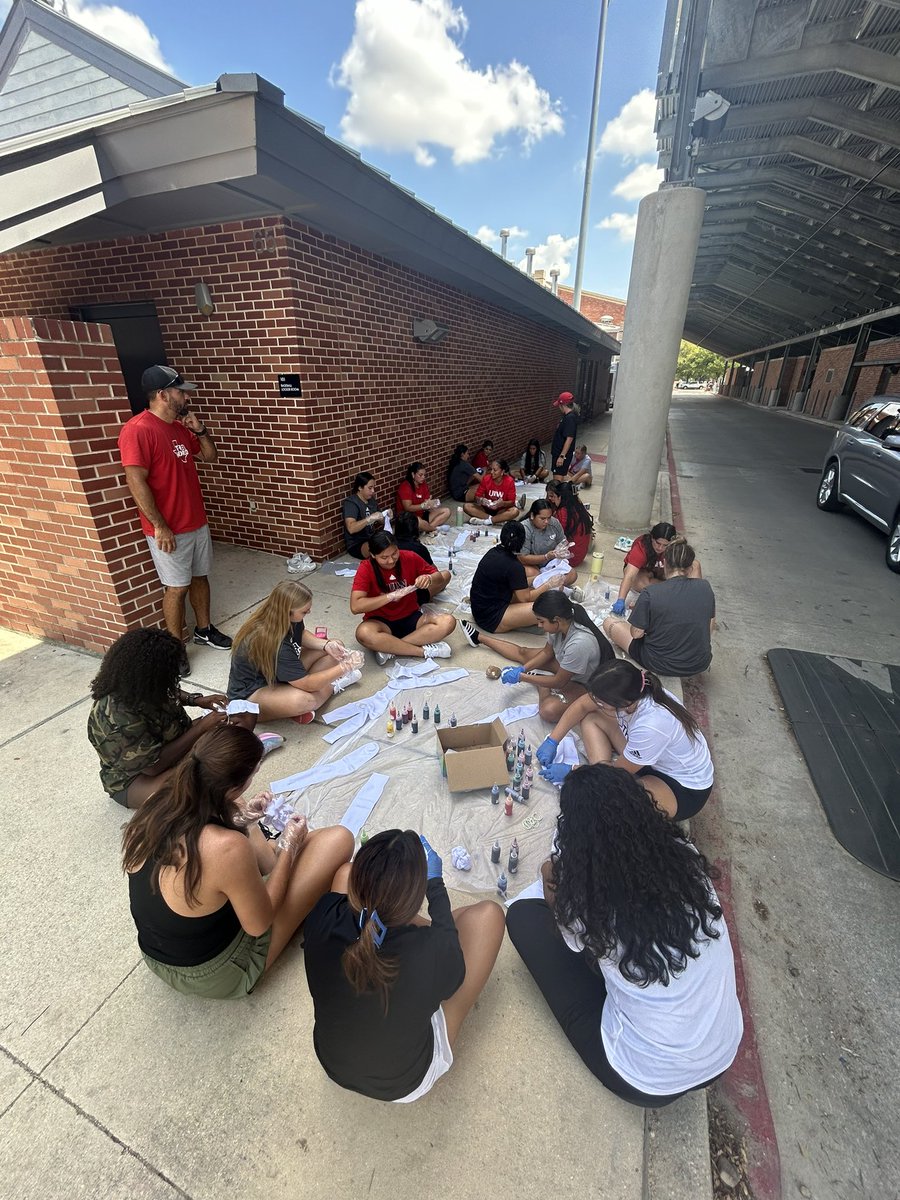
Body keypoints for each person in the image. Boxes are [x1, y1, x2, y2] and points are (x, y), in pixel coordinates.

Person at [505, 766, 743, 1105]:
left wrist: (549, 880)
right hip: (721, 1053)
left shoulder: (589, 900)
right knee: (622, 957)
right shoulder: (686, 860)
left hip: (645, 1080)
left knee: (522, 917)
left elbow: (568, 939)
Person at [122, 724, 353, 998]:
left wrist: (242, 819)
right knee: (339, 839)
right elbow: (259, 924)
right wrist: (289, 848)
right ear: (234, 785)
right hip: (216, 973)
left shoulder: (157, 802)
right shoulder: (226, 848)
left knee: (254, 833)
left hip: (158, 955)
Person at [303, 829, 505, 1102]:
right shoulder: (432, 956)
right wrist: (435, 886)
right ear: (414, 901)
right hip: (403, 1082)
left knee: (343, 872)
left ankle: (381, 898)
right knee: (490, 916)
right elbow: (451, 957)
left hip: (332, 1061)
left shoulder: (322, 915)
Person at [88, 627, 267, 810]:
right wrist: (200, 728)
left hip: (175, 744)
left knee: (241, 719)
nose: (175, 677)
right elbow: (153, 767)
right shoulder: (117, 716)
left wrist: (197, 700)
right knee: (203, 777)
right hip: (137, 780)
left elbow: (169, 690)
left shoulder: (146, 684)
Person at [118, 364, 232, 649]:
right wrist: (159, 525)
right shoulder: (138, 430)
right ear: (163, 394)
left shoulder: (180, 428)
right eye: (180, 392)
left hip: (195, 520)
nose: (186, 398)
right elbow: (135, 481)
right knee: (176, 588)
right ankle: (174, 646)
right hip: (168, 528)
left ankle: (204, 630)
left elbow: (209, 457)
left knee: (199, 578)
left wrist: (201, 430)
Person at [536, 660, 713, 819]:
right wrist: (553, 740)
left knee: (613, 802)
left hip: (682, 788)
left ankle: (599, 774)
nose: (596, 702)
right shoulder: (635, 692)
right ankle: (600, 770)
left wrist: (573, 770)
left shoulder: (651, 725)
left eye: (602, 702)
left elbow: (619, 772)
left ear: (622, 704)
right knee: (592, 718)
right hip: (652, 760)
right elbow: (583, 705)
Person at [462, 591, 613, 722]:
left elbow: (559, 681)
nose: (539, 626)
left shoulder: (579, 643)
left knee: (548, 710)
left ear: (557, 620)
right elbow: (547, 653)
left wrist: (522, 676)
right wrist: (523, 668)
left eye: (541, 621)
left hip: (584, 683)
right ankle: (479, 637)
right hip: (567, 666)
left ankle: (542, 682)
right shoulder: (560, 626)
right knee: (523, 653)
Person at [228, 579, 364, 724]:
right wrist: (345, 667)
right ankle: (333, 686)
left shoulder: (283, 618)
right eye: (305, 611)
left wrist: (325, 645)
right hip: (251, 695)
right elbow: (307, 684)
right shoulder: (274, 643)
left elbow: (301, 634)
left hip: (275, 676)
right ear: (288, 611)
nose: (309, 612)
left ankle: (290, 705)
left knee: (336, 650)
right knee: (305, 701)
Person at [603, 540, 715, 677]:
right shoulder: (705, 587)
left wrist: (642, 615)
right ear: (690, 567)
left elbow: (636, 633)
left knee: (609, 623)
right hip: (698, 662)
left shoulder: (651, 593)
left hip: (660, 663)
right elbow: (709, 627)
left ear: (665, 563)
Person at [351, 531, 455, 665]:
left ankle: (390, 649)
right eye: (384, 557)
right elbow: (355, 606)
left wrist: (428, 578)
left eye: (394, 553)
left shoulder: (409, 557)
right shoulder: (366, 567)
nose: (391, 560)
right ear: (373, 555)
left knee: (448, 621)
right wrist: (390, 596)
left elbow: (439, 577)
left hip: (411, 616)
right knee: (363, 633)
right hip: (381, 622)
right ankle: (423, 652)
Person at [466, 522, 569, 634]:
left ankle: (521, 622)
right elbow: (525, 598)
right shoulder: (514, 566)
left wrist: (542, 577)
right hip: (491, 618)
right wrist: (548, 584)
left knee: (538, 590)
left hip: (480, 608)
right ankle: (518, 624)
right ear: (523, 542)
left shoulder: (493, 552)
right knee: (548, 607)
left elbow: (519, 584)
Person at [611, 522, 701, 615]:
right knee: (639, 582)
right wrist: (621, 600)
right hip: (646, 576)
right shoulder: (641, 546)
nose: (660, 548)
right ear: (651, 538)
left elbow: (686, 564)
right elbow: (629, 575)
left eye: (665, 545)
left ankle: (689, 597)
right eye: (658, 543)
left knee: (695, 565)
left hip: (666, 578)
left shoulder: (675, 548)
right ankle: (678, 593)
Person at [516, 499, 573, 580]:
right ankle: (550, 585)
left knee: (572, 574)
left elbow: (562, 541)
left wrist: (562, 551)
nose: (546, 522)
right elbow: (523, 558)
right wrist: (546, 557)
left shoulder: (554, 523)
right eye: (542, 518)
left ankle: (548, 584)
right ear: (532, 515)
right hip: (531, 565)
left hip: (550, 563)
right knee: (534, 575)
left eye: (548, 518)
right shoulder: (524, 529)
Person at [342, 473, 389, 560]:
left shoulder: (371, 500)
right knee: (380, 548)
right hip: (357, 544)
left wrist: (386, 515)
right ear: (360, 488)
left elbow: (381, 521)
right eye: (370, 488)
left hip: (372, 537)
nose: (373, 491)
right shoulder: (351, 503)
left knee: (390, 542)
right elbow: (351, 528)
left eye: (373, 487)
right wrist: (369, 519)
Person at [546, 482, 592, 568]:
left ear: (560, 497)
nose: (553, 500)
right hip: (580, 555)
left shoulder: (563, 512)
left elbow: (555, 536)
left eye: (554, 497)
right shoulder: (579, 506)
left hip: (570, 558)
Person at [395, 463, 451, 534]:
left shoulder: (423, 484)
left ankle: (427, 529)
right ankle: (432, 529)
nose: (423, 477)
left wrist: (431, 503)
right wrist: (422, 506)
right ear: (413, 474)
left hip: (422, 514)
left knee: (447, 511)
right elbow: (407, 507)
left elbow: (427, 500)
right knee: (419, 522)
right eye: (420, 475)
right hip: (408, 518)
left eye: (424, 475)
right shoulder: (405, 487)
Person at [464, 459, 520, 525]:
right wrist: (481, 500)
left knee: (515, 511)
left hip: (500, 511)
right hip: (485, 510)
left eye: (495, 470)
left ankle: (486, 521)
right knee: (466, 506)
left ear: (502, 471)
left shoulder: (509, 481)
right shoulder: (486, 479)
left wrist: (502, 503)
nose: (491, 472)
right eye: (491, 469)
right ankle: (496, 520)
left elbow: (511, 502)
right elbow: (477, 496)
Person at [550, 391, 578, 480]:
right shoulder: (567, 417)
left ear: (563, 405)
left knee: (557, 481)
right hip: (558, 453)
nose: (559, 407)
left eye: (559, 405)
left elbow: (569, 439)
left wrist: (562, 456)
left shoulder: (570, 418)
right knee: (559, 479)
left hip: (561, 454)